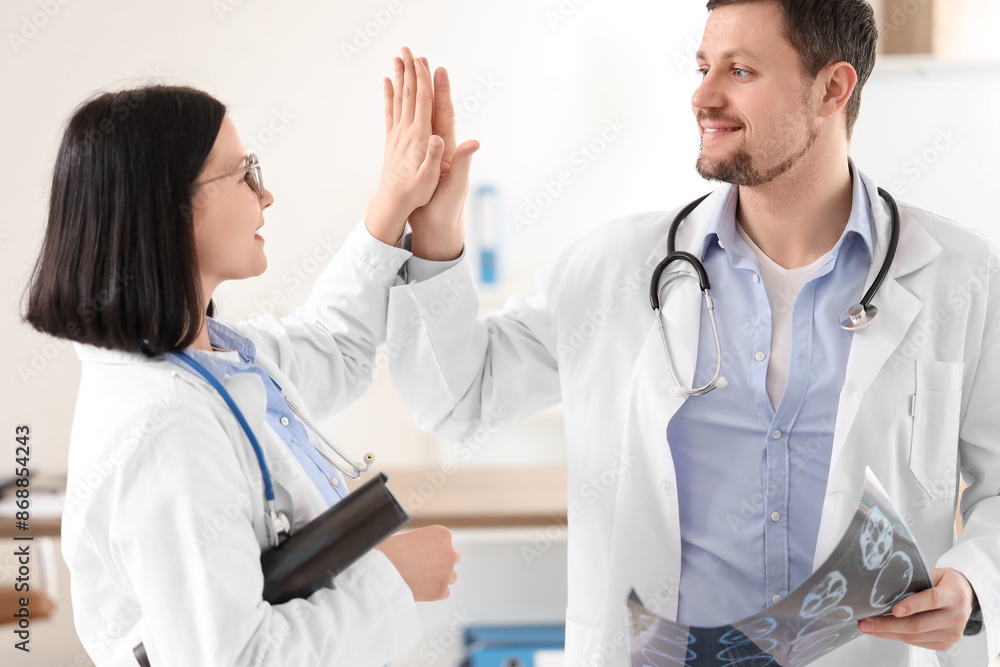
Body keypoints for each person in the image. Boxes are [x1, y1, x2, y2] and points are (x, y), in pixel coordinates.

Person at [385, 2, 998, 665]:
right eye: (704, 67)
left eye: (739, 70)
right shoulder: (616, 270)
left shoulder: (958, 276)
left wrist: (972, 579)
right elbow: (455, 397)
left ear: (833, 88)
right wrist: (437, 236)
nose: (702, 96)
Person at [21, 47, 475, 666]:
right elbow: (237, 660)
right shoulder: (164, 426)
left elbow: (334, 344)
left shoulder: (212, 358)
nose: (266, 196)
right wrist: (391, 578)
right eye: (244, 174)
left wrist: (396, 202)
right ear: (170, 208)